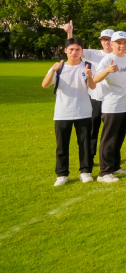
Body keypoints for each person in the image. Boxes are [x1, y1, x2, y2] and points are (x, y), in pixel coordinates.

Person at [42, 37, 95, 186]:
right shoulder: (59, 67)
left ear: (81, 51)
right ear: (65, 50)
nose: (74, 52)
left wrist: (89, 76)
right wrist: (53, 70)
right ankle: (62, 174)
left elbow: (93, 86)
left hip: (83, 111)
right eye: (71, 49)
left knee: (85, 144)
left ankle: (85, 172)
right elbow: (45, 84)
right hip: (63, 112)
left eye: (77, 49)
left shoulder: (87, 66)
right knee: (62, 145)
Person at [63, 24, 113, 162]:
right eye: (104, 39)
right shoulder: (93, 53)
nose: (107, 42)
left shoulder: (120, 56)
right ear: (101, 41)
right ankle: (89, 157)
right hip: (95, 98)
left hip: (112, 99)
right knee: (92, 130)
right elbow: (73, 48)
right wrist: (70, 32)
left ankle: (110, 158)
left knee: (111, 132)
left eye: (109, 39)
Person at [93, 31, 126, 183]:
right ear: (112, 44)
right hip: (112, 106)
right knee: (109, 139)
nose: (122, 45)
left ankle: (115, 166)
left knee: (119, 138)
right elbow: (95, 79)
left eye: (125, 42)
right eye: (118, 42)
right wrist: (107, 70)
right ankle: (104, 172)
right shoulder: (107, 59)